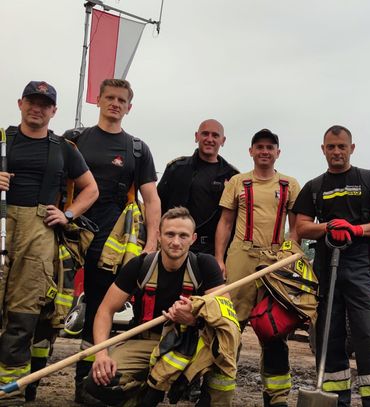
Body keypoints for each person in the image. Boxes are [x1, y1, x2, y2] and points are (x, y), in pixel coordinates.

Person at [0, 81, 99, 405]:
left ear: (53, 110)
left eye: (45, 103)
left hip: (38, 234)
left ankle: (9, 394)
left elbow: (91, 189)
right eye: (32, 101)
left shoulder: (63, 149)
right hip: (3, 226)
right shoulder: (3, 140)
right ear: (20, 103)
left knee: (23, 314)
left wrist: (68, 214)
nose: (37, 108)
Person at [63, 79, 161, 404]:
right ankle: (30, 376)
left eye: (122, 99)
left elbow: (151, 198)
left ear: (129, 107)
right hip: (72, 238)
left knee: (99, 312)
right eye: (110, 97)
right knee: (55, 308)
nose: (115, 103)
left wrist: (151, 244)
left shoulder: (137, 149)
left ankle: (86, 385)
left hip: (114, 245)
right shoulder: (75, 140)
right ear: (99, 101)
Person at [86, 207, 239, 406]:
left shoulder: (205, 266)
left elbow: (227, 319)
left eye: (183, 236)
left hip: (191, 344)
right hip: (147, 342)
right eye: (170, 234)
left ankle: (205, 398)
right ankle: (146, 391)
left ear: (193, 239)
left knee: (225, 353)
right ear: (159, 236)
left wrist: (194, 319)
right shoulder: (140, 266)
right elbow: (105, 311)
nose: (176, 242)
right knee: (97, 382)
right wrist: (101, 354)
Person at [293, 125, 370, 407]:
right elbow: (301, 226)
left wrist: (356, 230)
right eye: (331, 147)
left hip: (360, 267)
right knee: (328, 337)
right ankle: (334, 401)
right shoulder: (314, 187)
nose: (336, 152)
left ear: (352, 148)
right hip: (326, 271)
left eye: (341, 146)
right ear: (323, 149)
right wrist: (328, 227)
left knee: (369, 336)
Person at [214, 129, 300, 407]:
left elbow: (297, 226)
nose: (264, 151)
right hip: (241, 256)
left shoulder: (290, 184)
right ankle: (218, 395)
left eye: (270, 147)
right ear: (251, 152)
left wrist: (291, 254)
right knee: (230, 326)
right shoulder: (238, 182)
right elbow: (225, 223)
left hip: (276, 260)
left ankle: (276, 399)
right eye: (259, 147)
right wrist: (219, 259)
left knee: (274, 328)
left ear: (278, 152)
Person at [157, 119, 238, 255]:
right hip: (175, 246)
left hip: (213, 252)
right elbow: (157, 206)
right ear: (196, 136)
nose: (209, 139)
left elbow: (233, 223)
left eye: (215, 135)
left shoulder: (233, 177)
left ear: (223, 140)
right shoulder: (177, 168)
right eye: (205, 134)